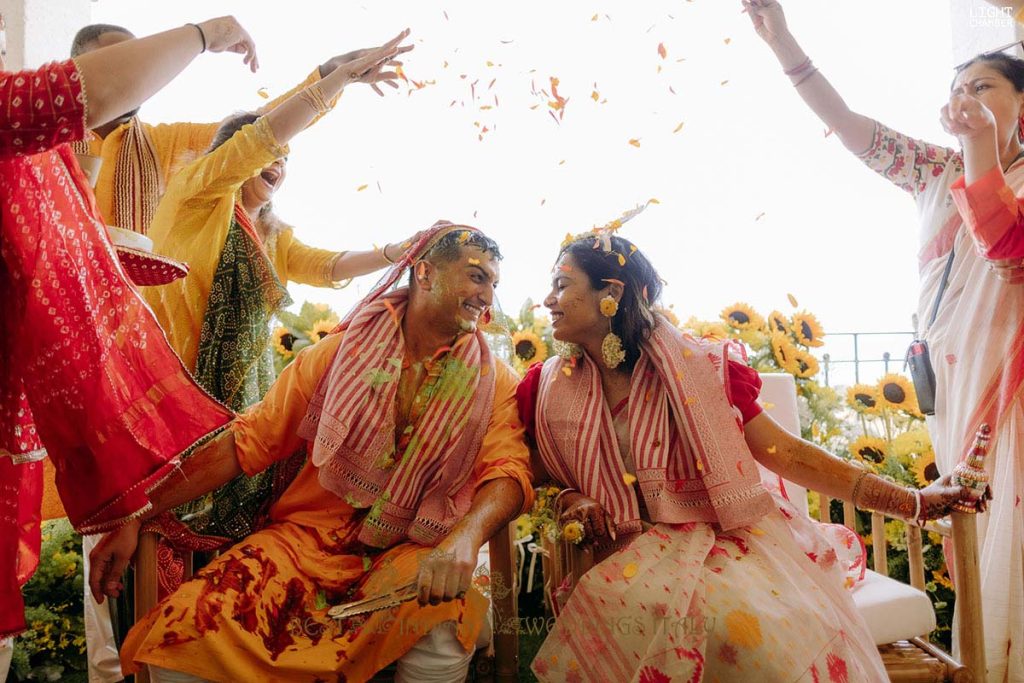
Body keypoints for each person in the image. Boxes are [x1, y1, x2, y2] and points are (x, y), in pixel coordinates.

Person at [516, 231, 984, 681]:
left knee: (744, 631)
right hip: (615, 548)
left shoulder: (700, 371)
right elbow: (533, 474)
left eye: (561, 285)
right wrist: (571, 497)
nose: (548, 300)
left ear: (610, 292)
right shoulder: (546, 388)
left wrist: (911, 501)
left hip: (720, 540)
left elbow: (786, 454)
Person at [88, 223, 534, 683]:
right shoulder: (337, 355)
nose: (487, 295)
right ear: (424, 273)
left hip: (411, 549)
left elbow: (508, 471)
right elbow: (248, 442)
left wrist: (463, 539)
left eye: (494, 284)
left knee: (441, 613)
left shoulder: (494, 380)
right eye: (477, 277)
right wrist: (137, 512)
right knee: (184, 631)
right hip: (303, 542)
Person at [745, 1, 1023, 678]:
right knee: (976, 534)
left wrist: (984, 148)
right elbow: (846, 126)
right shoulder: (932, 170)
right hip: (953, 396)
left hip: (1013, 395)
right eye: (957, 90)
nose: (964, 99)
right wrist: (783, 41)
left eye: (982, 87)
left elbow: (1004, 246)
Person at [0, 15, 258, 642]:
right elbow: (78, 95)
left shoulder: (70, 158)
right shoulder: (39, 134)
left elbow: (256, 140)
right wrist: (207, 33)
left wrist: (130, 508)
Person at [138, 31, 420, 590]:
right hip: (175, 396)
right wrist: (333, 81)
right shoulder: (196, 192)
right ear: (232, 155)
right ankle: (134, 669)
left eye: (285, 160)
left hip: (241, 405)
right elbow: (264, 135)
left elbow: (327, 266)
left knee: (230, 548)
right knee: (153, 533)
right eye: (272, 154)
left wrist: (397, 252)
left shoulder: (267, 231)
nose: (280, 161)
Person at [68, 23, 387, 237]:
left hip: (129, 324)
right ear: (76, 68)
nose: (130, 75)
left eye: (136, 63)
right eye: (113, 63)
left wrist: (328, 77)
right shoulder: (42, 141)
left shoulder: (161, 143)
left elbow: (254, 129)